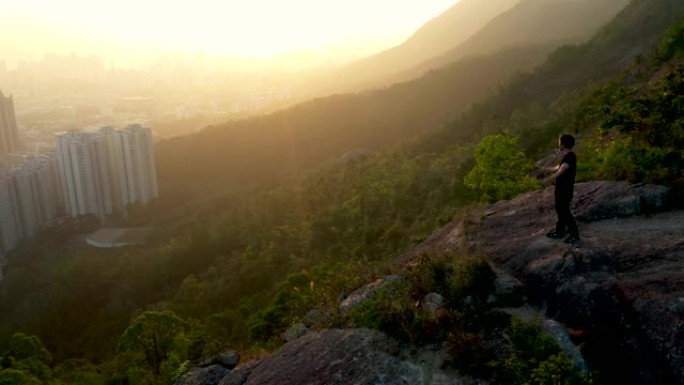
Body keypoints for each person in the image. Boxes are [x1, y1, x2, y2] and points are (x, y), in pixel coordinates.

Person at [543, 134, 580, 244]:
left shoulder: (570, 156)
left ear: (563, 144)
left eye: (559, 142)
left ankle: (575, 235)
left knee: (565, 211)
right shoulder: (568, 156)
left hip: (565, 189)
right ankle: (560, 232)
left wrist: (548, 179)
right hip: (561, 188)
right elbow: (559, 167)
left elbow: (562, 170)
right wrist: (546, 169)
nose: (558, 143)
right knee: (560, 210)